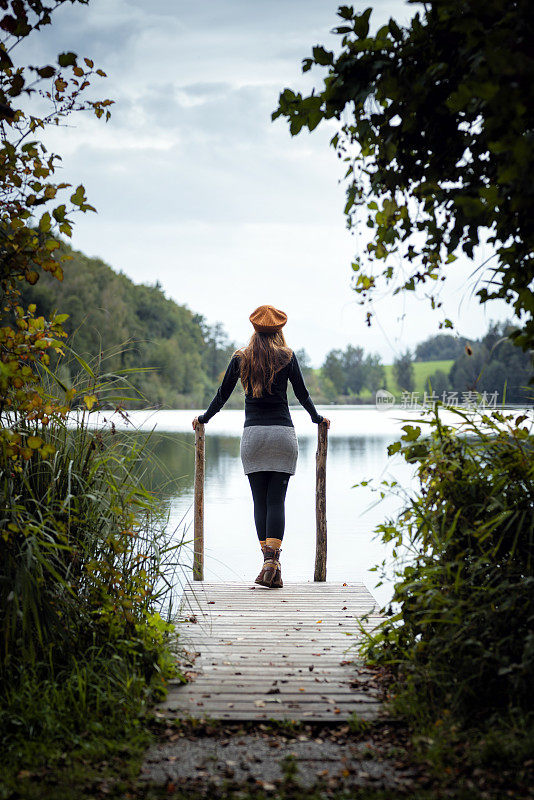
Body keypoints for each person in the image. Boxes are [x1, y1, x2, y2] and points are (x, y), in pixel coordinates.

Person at [192, 304, 330, 588]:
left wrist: (203, 418)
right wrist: (317, 418)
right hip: (282, 436)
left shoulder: (241, 358)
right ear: (279, 330)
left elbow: (222, 395)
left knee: (260, 502)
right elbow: (302, 394)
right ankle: (272, 564)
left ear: (254, 328)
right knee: (276, 501)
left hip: (254, 437)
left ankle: (269, 564)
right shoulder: (288, 357)